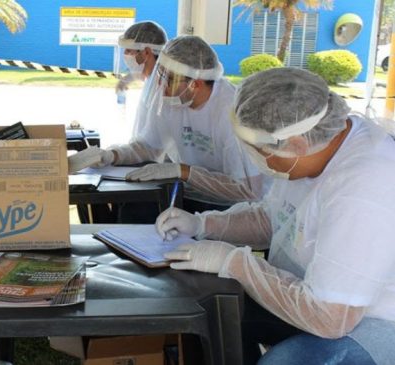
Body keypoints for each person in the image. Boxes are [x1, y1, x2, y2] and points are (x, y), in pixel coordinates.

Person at [157, 67, 395, 365]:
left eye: (259, 151)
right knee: (209, 315)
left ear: (296, 145)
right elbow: (274, 219)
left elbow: (331, 319)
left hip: (374, 322)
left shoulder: (364, 188)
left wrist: (236, 263)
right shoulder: (309, 151)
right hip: (314, 294)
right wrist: (203, 224)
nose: (258, 160)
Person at [83, 35, 264, 216]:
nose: (161, 87)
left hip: (234, 208)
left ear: (196, 84)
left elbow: (248, 190)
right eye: (160, 77)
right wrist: (111, 155)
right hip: (189, 194)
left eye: (169, 80)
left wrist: (185, 172)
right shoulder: (174, 101)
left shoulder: (231, 112)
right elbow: (148, 147)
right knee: (133, 207)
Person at [115, 21, 167, 133]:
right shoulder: (152, 79)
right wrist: (128, 79)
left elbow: (152, 142)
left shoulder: (161, 88)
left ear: (146, 52)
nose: (125, 55)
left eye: (129, 50)